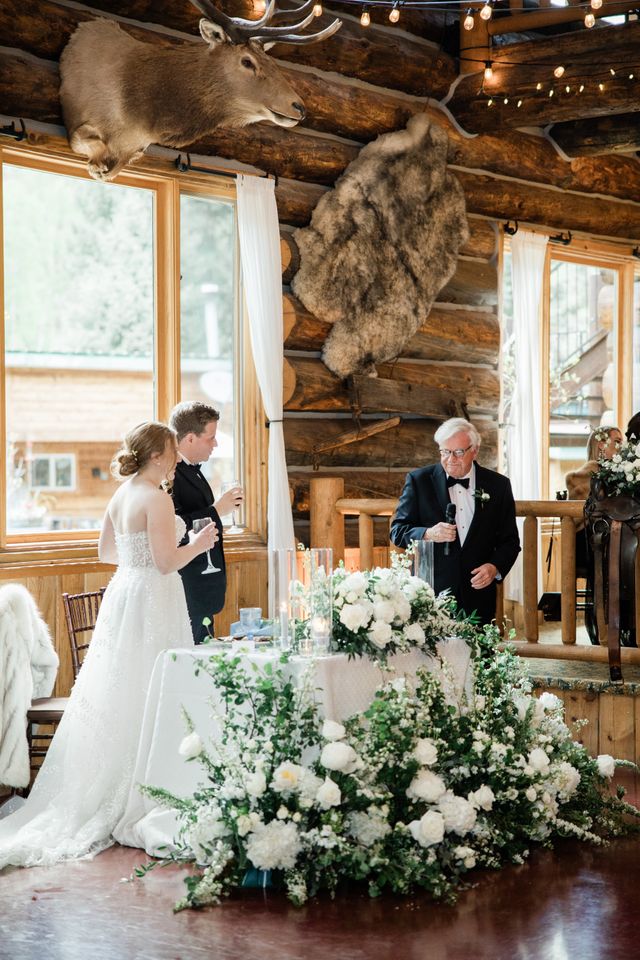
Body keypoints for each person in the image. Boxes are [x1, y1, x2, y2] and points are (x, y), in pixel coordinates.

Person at [0, 421, 218, 869]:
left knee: (121, 687)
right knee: (151, 685)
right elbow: (166, 563)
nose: (177, 457)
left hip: (124, 595)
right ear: (157, 455)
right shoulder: (157, 497)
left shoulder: (122, 494)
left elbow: (105, 553)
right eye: (173, 451)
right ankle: (147, 784)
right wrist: (196, 544)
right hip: (154, 598)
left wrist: (138, 559)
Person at [390, 417, 520, 625]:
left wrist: (494, 567)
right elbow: (397, 531)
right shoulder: (419, 481)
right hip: (431, 592)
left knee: (478, 655)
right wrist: (428, 533)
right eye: (444, 452)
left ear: (474, 450)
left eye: (458, 452)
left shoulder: (498, 486)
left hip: (478, 594)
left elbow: (510, 541)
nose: (450, 459)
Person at [169, 401, 243, 643]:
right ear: (190, 438)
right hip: (187, 586)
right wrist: (216, 510)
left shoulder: (195, 471)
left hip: (204, 585)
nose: (216, 444)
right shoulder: (170, 475)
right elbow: (174, 527)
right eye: (210, 438)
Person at [565, 425, 622, 644]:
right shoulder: (588, 472)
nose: (621, 446)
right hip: (590, 543)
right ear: (601, 445)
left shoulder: (623, 470)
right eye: (616, 441)